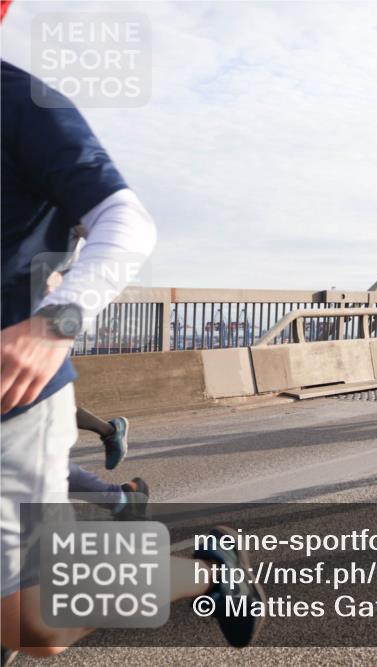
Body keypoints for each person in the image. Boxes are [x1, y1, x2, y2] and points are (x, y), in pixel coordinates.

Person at [1, 60, 264, 658]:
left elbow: (126, 224)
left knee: (35, 622)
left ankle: (208, 568)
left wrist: (53, 325)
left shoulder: (21, 102)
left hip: (15, 396)